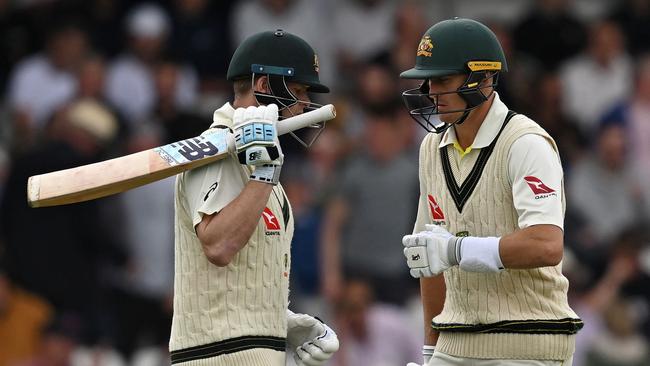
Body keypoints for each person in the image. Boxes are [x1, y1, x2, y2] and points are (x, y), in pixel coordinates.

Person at [398, 18, 583, 366]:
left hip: (528, 340)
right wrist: (429, 348)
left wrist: (457, 249)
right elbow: (428, 257)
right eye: (428, 81)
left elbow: (546, 244)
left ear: (482, 79)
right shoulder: (430, 148)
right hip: (456, 341)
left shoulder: (526, 143)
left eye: (443, 80)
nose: (431, 92)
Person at [169, 30, 339, 366]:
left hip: (252, 352)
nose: (304, 105)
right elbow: (218, 246)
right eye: (299, 90)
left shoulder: (266, 160)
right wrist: (263, 174)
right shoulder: (217, 149)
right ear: (263, 85)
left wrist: (282, 323)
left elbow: (239, 278)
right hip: (218, 354)